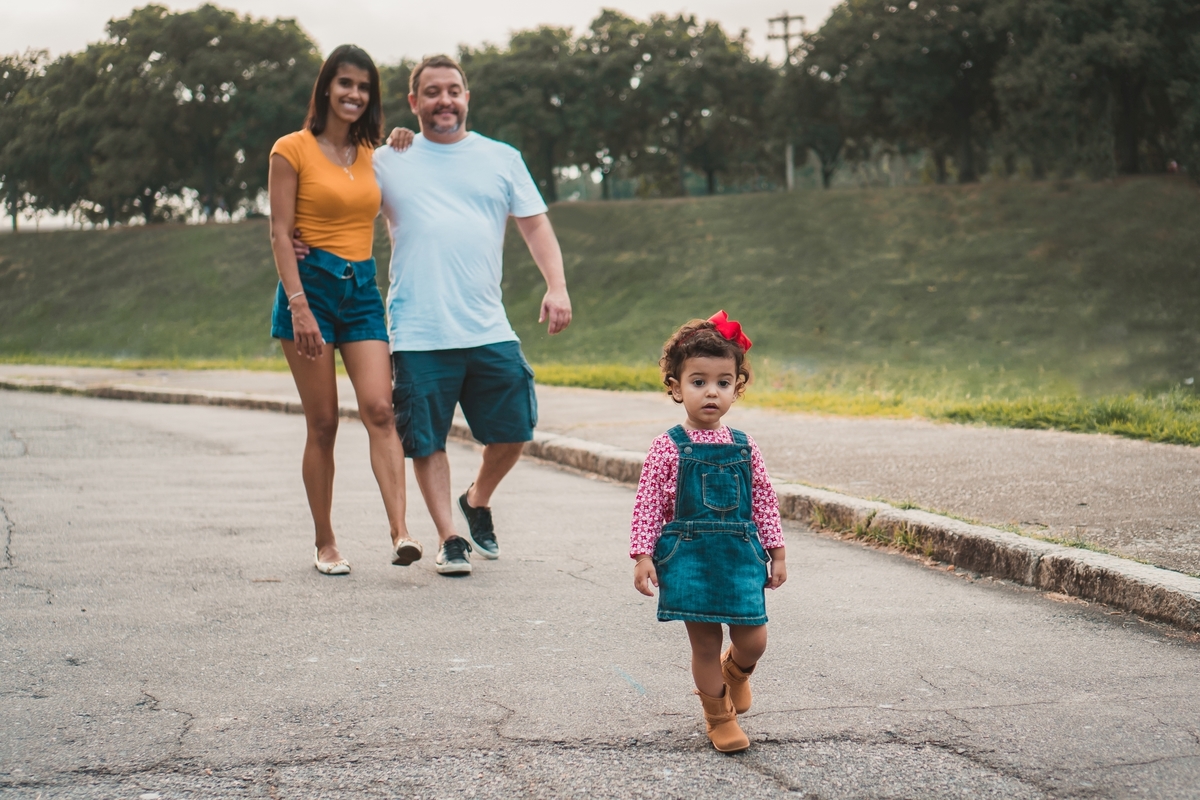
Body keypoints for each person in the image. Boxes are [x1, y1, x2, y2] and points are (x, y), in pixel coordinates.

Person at [375, 55, 571, 576]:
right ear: (414, 102)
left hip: (486, 325)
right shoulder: (388, 158)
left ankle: (477, 498)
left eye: (454, 90)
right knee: (426, 440)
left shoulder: (501, 158)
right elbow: (343, 205)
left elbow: (535, 226)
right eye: (432, 92)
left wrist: (557, 286)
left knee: (515, 429)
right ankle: (450, 537)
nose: (445, 100)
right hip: (418, 329)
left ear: (467, 97)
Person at [268, 45, 422, 575]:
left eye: (363, 87)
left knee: (381, 409)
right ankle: (325, 541)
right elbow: (279, 232)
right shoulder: (291, 150)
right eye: (345, 84)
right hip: (308, 291)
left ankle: (401, 530)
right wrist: (299, 307)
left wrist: (404, 139)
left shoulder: (373, 152)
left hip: (360, 291)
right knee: (325, 423)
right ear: (326, 88)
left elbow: (408, 173)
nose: (354, 94)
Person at [630, 312, 788, 753]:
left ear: (737, 388)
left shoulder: (744, 444)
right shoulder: (667, 446)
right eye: (698, 382)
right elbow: (647, 503)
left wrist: (777, 552)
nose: (711, 392)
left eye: (722, 382)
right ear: (676, 387)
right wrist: (643, 555)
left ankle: (736, 673)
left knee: (753, 638)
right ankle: (719, 718)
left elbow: (763, 501)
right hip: (688, 556)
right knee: (705, 644)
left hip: (740, 554)